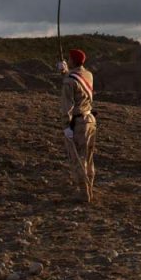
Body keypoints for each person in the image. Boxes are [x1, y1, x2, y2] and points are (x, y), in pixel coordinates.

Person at [60, 48, 96, 203]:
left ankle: (84, 193)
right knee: (88, 157)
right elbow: (76, 80)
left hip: (77, 123)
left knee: (78, 158)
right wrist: (65, 71)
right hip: (90, 120)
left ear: (73, 61)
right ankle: (89, 187)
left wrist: (66, 125)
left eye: (69, 59)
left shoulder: (69, 81)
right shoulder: (88, 74)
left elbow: (67, 104)